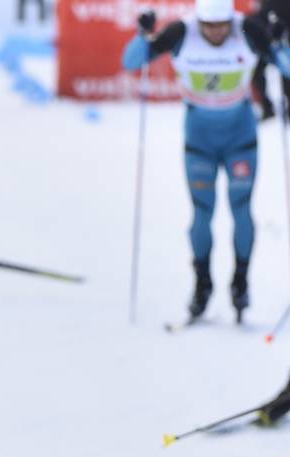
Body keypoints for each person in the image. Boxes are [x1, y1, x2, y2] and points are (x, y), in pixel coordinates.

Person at [123, 0, 290, 322]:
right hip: (199, 140)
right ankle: (202, 284)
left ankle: (240, 283)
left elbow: (286, 68)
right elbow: (133, 61)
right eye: (209, 25)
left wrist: (280, 42)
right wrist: (141, 34)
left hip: (241, 139)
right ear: (199, 19)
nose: (216, 32)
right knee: (202, 214)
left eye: (222, 24)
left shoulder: (247, 29)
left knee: (241, 210)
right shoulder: (182, 32)